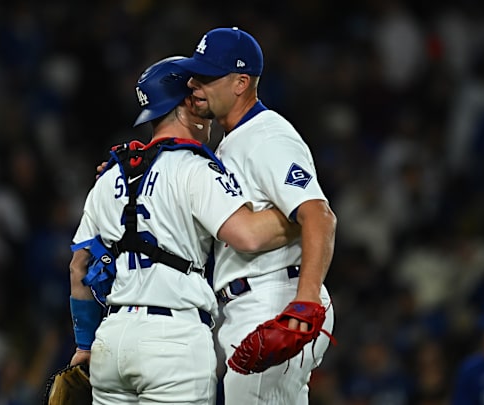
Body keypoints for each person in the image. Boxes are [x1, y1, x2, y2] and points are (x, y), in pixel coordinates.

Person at [67, 56, 300, 405]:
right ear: (187, 106)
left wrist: (84, 346)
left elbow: (78, 269)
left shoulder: (109, 176)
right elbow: (249, 235)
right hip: (171, 340)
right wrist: (302, 218)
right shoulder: (193, 168)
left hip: (110, 341)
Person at [174, 27, 337, 404]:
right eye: (195, 74)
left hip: (273, 297)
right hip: (247, 302)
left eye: (208, 76)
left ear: (240, 83)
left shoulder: (267, 136)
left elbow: (319, 214)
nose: (195, 84)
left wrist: (306, 301)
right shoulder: (232, 142)